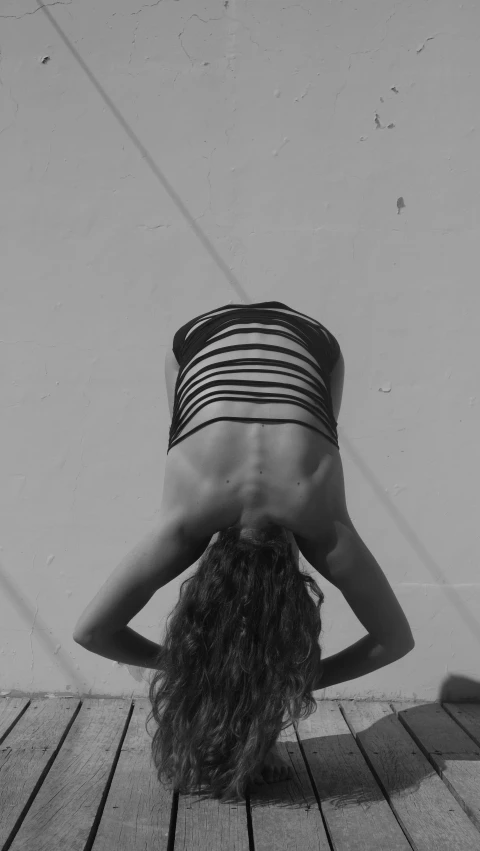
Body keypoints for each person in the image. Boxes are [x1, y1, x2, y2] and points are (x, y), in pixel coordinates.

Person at [74, 300, 415, 802]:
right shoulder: (314, 524)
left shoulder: (186, 524)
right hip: (289, 343)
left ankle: (256, 705)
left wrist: (205, 672)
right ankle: (260, 716)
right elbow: (395, 639)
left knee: (277, 528)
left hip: (224, 340)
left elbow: (92, 631)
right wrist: (264, 679)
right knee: (281, 539)